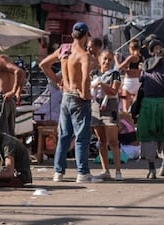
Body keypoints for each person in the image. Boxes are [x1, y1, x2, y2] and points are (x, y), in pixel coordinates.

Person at [41, 22, 97, 183]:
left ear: (73, 35)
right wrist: (86, 95)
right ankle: (82, 173)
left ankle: (58, 172)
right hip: (79, 98)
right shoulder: (83, 55)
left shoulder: (64, 50)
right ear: (86, 36)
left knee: (64, 135)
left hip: (66, 96)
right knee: (81, 136)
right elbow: (86, 77)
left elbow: (43, 65)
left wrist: (57, 80)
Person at [134, 39, 164, 179]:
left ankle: (151, 169)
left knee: (148, 136)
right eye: (157, 48)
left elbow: (142, 82)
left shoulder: (145, 66)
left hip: (147, 105)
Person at [91, 49, 124, 180]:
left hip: (110, 107)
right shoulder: (93, 73)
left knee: (113, 141)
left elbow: (113, 90)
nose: (107, 62)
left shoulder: (115, 74)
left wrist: (101, 84)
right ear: (99, 59)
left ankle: (118, 171)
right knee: (101, 141)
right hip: (95, 107)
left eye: (110, 59)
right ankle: (105, 170)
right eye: (104, 59)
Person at [0, 50, 27, 137]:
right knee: (9, 133)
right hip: (8, 100)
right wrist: (18, 92)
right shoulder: (9, 63)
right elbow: (22, 73)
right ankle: (9, 149)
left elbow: (19, 72)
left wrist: (14, 91)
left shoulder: (0, 61)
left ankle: (3, 150)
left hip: (2, 99)